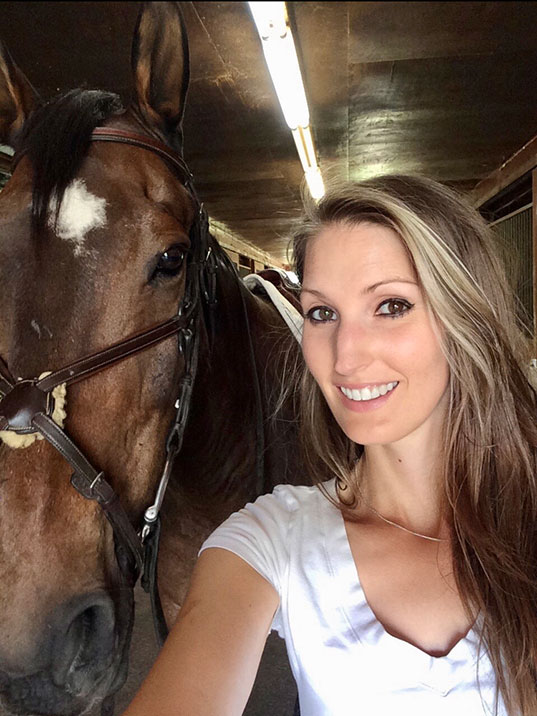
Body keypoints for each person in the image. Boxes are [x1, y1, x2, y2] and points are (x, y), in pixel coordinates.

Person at [121, 175, 537, 716]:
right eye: (322, 313)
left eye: (391, 306)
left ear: (466, 316)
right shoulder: (272, 541)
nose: (345, 356)